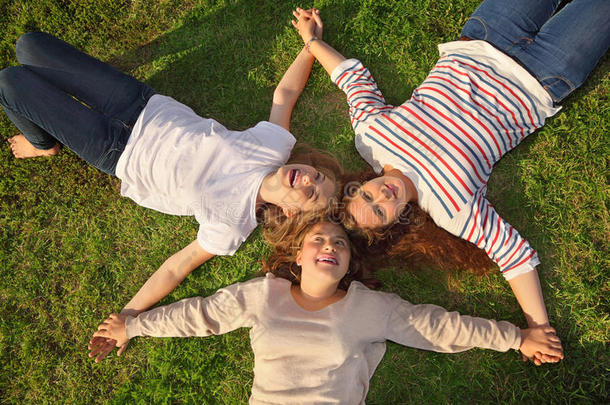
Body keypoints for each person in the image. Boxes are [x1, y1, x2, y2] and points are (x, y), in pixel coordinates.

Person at [291, 1, 609, 363]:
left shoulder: (371, 139)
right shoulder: (451, 210)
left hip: (486, 36)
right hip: (543, 75)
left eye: (366, 193)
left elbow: (354, 80)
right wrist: (537, 327)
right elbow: (512, 254)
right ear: (397, 223)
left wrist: (312, 41)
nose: (381, 193)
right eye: (380, 210)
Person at [0, 25, 340, 360]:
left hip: (115, 151)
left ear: (291, 212)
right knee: (30, 46)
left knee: (11, 83)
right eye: (318, 176)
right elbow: (285, 95)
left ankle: (42, 143)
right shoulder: (273, 148)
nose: (309, 180)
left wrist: (129, 316)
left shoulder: (232, 225)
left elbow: (176, 267)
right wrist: (311, 43)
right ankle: (42, 122)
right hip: (140, 103)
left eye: (312, 193)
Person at [90, 219, 563, 404]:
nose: (328, 245)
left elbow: (437, 327)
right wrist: (135, 326)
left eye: (338, 242)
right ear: (297, 256)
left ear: (348, 263)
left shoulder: (369, 308)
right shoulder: (262, 295)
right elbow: (201, 314)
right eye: (317, 239)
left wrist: (517, 337)